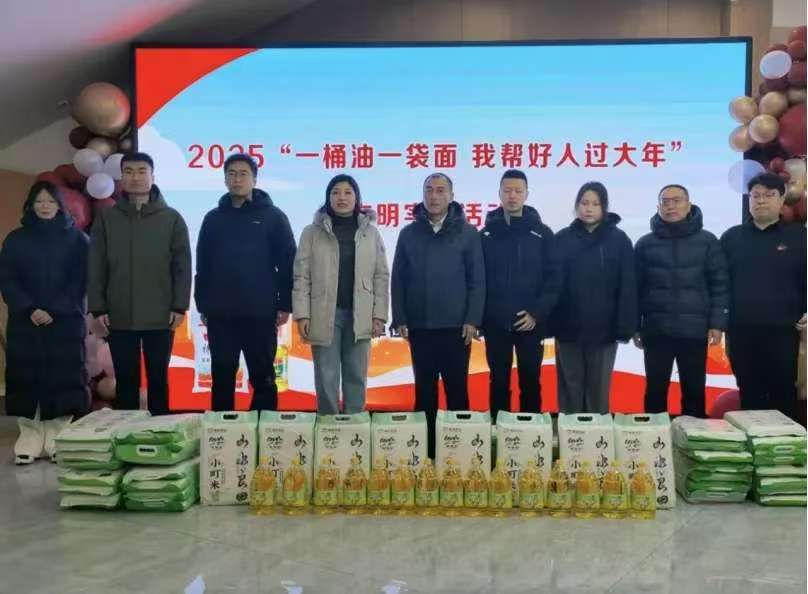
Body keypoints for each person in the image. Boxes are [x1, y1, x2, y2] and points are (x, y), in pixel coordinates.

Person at [88, 152, 192, 415]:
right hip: (119, 313)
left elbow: (182, 267)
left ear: (152, 176)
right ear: (121, 178)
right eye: (129, 171)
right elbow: (96, 265)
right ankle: (126, 432)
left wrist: (179, 306)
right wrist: (98, 308)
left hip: (161, 315)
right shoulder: (107, 219)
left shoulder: (171, 218)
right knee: (126, 380)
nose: (135, 177)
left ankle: (160, 430)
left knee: (159, 379)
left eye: (142, 171)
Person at [391, 173, 485, 457]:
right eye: (429, 190)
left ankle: (461, 456)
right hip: (420, 326)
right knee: (424, 393)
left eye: (441, 190)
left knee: (457, 392)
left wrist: (473, 319)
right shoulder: (409, 234)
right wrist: (400, 317)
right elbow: (399, 279)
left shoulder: (467, 233)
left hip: (457, 328)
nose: (434, 196)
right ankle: (425, 455)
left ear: (451, 196)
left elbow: (477, 280)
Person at [195, 154, 296, 411]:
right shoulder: (213, 218)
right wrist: (203, 304)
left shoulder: (273, 217)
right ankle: (222, 430)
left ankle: (263, 429)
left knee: (263, 377)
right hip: (221, 314)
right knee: (222, 377)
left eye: (243, 174)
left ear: (254, 179)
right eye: (231, 174)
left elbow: (288, 264)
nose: (237, 179)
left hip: (260, 312)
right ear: (225, 179)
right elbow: (203, 265)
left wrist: (285, 304)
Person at [0, 182, 90, 464]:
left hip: (65, 321)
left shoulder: (78, 240)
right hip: (25, 321)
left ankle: (56, 435)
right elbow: (7, 279)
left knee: (62, 376)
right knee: (26, 377)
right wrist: (29, 308)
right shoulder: (15, 239)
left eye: (50, 201)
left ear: (60, 205)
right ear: (30, 205)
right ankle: (29, 434)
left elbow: (81, 281)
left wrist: (55, 309)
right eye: (39, 201)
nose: (44, 206)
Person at [293, 174, 389, 414]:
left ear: (357, 198)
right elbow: (301, 275)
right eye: (335, 192)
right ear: (328, 198)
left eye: (348, 192)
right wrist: (302, 314)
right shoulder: (311, 233)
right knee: (326, 375)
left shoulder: (371, 233)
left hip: (360, 312)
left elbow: (381, 275)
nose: (341, 197)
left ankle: (354, 424)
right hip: (324, 312)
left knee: (356, 374)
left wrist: (379, 315)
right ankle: (329, 426)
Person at [634, 184, 728, 417]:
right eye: (665, 202)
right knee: (655, 391)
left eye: (676, 200)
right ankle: (654, 437)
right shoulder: (645, 244)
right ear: (658, 207)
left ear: (688, 205)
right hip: (656, 330)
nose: (671, 206)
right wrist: (634, 325)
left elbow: (719, 284)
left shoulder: (708, 241)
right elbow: (634, 289)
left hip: (694, 330)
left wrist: (717, 323)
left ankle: (693, 436)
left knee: (694, 391)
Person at [721, 173, 806, 420]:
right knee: (749, 392)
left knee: (783, 392)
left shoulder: (799, 237)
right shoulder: (731, 237)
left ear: (781, 200)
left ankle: (785, 443)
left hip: (784, 331)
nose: (761, 200)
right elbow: (719, 282)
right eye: (755, 195)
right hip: (740, 330)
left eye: (769, 195)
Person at [480, 169, 559, 421]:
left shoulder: (542, 233)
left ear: (526, 194)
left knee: (531, 381)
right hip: (495, 323)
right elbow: (478, 280)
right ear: (499, 193)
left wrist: (537, 313)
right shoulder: (485, 235)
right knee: (498, 381)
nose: (512, 196)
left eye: (517, 191)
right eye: (507, 190)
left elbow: (554, 279)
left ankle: (531, 433)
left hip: (531, 324)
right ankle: (498, 430)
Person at [552, 182, 637, 414]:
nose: (589, 208)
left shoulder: (619, 240)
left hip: (604, 331)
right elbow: (552, 286)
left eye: (595, 204)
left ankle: (597, 434)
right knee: (570, 388)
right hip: (568, 329)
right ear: (576, 206)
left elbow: (627, 286)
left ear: (604, 207)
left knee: (598, 390)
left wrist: (625, 326)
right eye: (584, 203)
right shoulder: (562, 239)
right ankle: (571, 433)